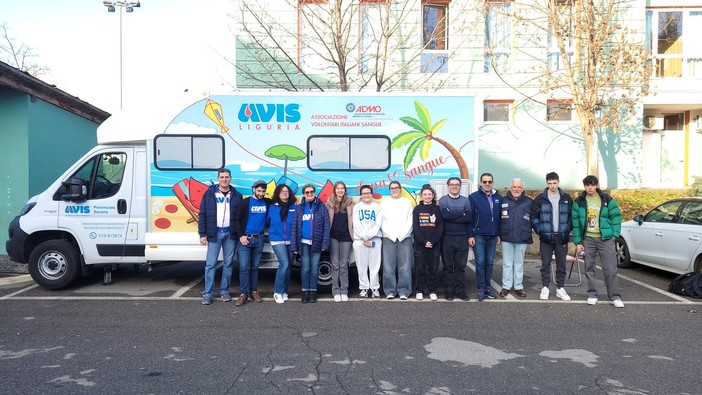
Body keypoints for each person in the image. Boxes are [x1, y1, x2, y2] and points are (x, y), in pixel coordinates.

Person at [572, 175, 624, 308]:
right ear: (584, 186)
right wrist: (578, 242)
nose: (590, 187)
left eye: (592, 185)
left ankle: (615, 297)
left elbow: (616, 216)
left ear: (596, 185)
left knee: (610, 268)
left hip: (605, 238)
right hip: (588, 238)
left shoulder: (606, 199)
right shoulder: (579, 201)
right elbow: (576, 223)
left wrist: (614, 235)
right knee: (589, 267)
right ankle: (592, 295)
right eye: (587, 185)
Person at [197, 168, 242, 305]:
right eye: (222, 177)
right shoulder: (209, 194)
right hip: (214, 234)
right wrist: (202, 234)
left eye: (227, 177)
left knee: (228, 264)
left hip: (230, 234)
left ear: (230, 178)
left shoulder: (237, 195)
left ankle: (224, 291)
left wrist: (239, 234)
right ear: (218, 179)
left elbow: (239, 217)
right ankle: (207, 293)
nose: (224, 179)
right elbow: (203, 214)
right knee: (210, 265)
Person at [530, 172, 573, 301]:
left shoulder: (567, 198)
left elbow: (572, 217)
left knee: (561, 264)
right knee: (545, 264)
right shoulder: (540, 199)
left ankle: (560, 288)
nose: (552, 186)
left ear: (558, 182)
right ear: (546, 183)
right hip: (546, 237)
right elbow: (534, 216)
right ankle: (545, 287)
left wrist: (567, 228)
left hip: (561, 236)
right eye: (550, 183)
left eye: (554, 183)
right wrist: (540, 230)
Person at [233, 180, 272, 306]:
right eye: (259, 191)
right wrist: (241, 236)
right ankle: (243, 294)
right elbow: (237, 220)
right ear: (254, 189)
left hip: (259, 239)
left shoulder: (267, 202)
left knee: (255, 267)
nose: (261, 193)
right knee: (244, 267)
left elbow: (279, 205)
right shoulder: (245, 203)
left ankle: (253, 291)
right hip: (246, 240)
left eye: (263, 191)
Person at [291, 184, 330, 304]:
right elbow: (294, 228)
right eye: (307, 192)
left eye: (311, 192)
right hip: (303, 243)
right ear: (303, 194)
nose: (309, 194)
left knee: (314, 268)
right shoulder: (299, 208)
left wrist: (325, 243)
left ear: (314, 192)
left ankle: (313, 292)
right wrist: (294, 245)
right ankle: (305, 292)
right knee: (305, 268)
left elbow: (326, 226)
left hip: (317, 243)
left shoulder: (321, 207)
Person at [468, 172, 502, 301]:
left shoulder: (498, 197)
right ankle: (481, 288)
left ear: (492, 182)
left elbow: (499, 218)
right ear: (481, 183)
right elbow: (470, 217)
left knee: (490, 263)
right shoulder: (474, 197)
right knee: (480, 262)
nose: (487, 184)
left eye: (489, 182)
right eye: (484, 182)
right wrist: (470, 235)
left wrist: (498, 233)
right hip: (479, 235)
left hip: (493, 235)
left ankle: (488, 287)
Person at [498, 178, 533, 298]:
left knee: (519, 264)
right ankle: (506, 286)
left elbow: (533, 218)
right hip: (506, 236)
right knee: (507, 264)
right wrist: (498, 234)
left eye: (519, 187)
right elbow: (498, 219)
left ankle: (518, 287)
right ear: (510, 188)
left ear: (522, 189)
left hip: (522, 237)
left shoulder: (529, 202)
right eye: (514, 187)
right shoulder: (503, 200)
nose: (516, 189)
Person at [439, 177, 472, 301]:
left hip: (462, 238)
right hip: (447, 237)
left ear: (460, 186)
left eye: (457, 184)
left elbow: (468, 217)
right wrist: (461, 214)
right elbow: (445, 215)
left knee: (460, 266)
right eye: (452, 184)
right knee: (447, 266)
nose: (454, 186)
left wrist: (452, 215)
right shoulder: (443, 200)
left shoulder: (465, 200)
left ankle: (460, 290)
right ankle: (449, 290)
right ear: (448, 186)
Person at [381, 181, 414, 300]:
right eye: (392, 188)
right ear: (390, 190)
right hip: (388, 238)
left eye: (396, 188)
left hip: (405, 238)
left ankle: (404, 291)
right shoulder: (385, 203)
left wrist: (403, 235)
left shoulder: (407, 202)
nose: (394, 190)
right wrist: (390, 235)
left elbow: (410, 220)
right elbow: (382, 221)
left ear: (400, 189)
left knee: (404, 266)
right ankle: (390, 291)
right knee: (388, 266)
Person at [413, 184, 444, 301]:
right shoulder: (417, 209)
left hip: (434, 245)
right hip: (420, 244)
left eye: (429, 194)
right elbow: (416, 227)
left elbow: (440, 227)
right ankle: (420, 290)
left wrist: (432, 241)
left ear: (433, 196)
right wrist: (424, 241)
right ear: (421, 196)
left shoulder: (437, 209)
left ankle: (432, 290)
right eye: (425, 194)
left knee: (433, 268)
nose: (427, 196)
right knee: (420, 268)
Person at [267, 184, 297, 304]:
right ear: (278, 194)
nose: (284, 193)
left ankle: (284, 291)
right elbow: (267, 222)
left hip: (291, 240)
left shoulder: (294, 207)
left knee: (288, 266)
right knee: (283, 264)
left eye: (286, 191)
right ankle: (277, 292)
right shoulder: (272, 207)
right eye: (282, 191)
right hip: (277, 240)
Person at [353, 184, 383, 300]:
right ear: (361, 195)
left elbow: (377, 225)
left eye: (368, 193)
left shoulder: (377, 207)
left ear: (372, 194)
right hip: (360, 240)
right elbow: (356, 224)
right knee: (361, 265)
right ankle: (364, 288)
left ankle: (375, 288)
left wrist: (369, 236)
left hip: (374, 239)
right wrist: (364, 238)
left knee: (375, 265)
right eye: (364, 193)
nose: (366, 195)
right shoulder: (357, 207)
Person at [325, 181, 354, 302]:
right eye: (338, 188)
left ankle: (344, 290)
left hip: (346, 236)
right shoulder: (329, 203)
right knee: (335, 264)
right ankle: (336, 291)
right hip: (333, 236)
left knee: (343, 264)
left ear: (345, 190)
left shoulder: (350, 203)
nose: (340, 190)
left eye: (342, 188)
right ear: (334, 190)